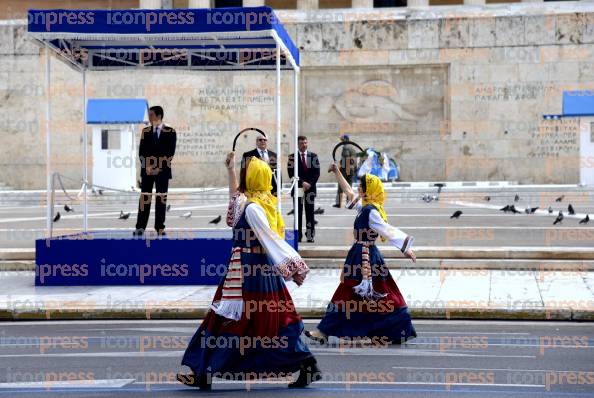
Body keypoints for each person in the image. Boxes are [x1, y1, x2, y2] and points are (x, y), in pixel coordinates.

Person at [177, 153, 321, 390]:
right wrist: (231, 170)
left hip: (254, 273)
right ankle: (202, 371)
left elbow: (270, 240)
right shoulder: (248, 202)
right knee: (225, 319)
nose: (243, 176)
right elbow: (234, 203)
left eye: (246, 173)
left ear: (253, 178)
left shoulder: (254, 209)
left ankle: (306, 364)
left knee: (268, 322)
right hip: (240, 271)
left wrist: (293, 266)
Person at [305, 163, 417, 345]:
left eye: (361, 186)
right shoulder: (364, 207)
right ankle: (391, 329)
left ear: (367, 191)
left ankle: (323, 330)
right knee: (368, 295)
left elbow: (387, 230)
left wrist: (406, 248)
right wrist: (336, 171)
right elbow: (348, 191)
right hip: (359, 255)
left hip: (366, 259)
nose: (357, 188)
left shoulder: (371, 212)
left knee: (351, 293)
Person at [134, 106, 176, 237]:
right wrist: (147, 167)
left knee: (161, 200)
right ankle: (140, 227)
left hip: (162, 172)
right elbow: (142, 152)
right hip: (147, 172)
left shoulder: (170, 132)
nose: (149, 117)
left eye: (151, 115)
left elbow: (170, 153)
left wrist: (159, 168)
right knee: (144, 199)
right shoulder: (145, 132)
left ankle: (160, 227)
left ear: (158, 116)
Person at [287, 136, 320, 243]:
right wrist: (302, 183)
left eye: (305, 142)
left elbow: (316, 173)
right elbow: (291, 174)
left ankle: (310, 236)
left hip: (310, 189)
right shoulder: (292, 157)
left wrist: (309, 184)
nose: (304, 145)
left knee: (310, 213)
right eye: (301, 143)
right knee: (298, 213)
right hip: (298, 189)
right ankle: (298, 235)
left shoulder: (313, 156)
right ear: (297, 144)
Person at [334, 134, 357, 208]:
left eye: (342, 140)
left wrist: (341, 167)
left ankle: (339, 203)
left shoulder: (345, 147)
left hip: (346, 168)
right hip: (352, 168)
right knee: (349, 186)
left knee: (341, 185)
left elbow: (346, 157)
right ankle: (349, 202)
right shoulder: (352, 147)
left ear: (345, 140)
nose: (341, 142)